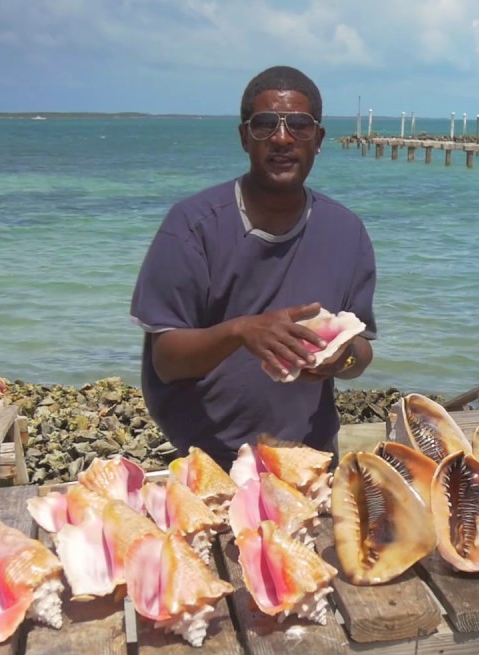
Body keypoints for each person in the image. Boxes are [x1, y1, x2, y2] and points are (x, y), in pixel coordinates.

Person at [129, 65, 378, 471]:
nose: (281, 138)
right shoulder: (192, 225)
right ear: (245, 137)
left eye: (299, 125)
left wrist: (343, 358)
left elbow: (362, 350)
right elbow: (167, 360)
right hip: (210, 461)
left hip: (312, 456)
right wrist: (242, 331)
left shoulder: (346, 232)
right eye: (265, 125)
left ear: (318, 139)